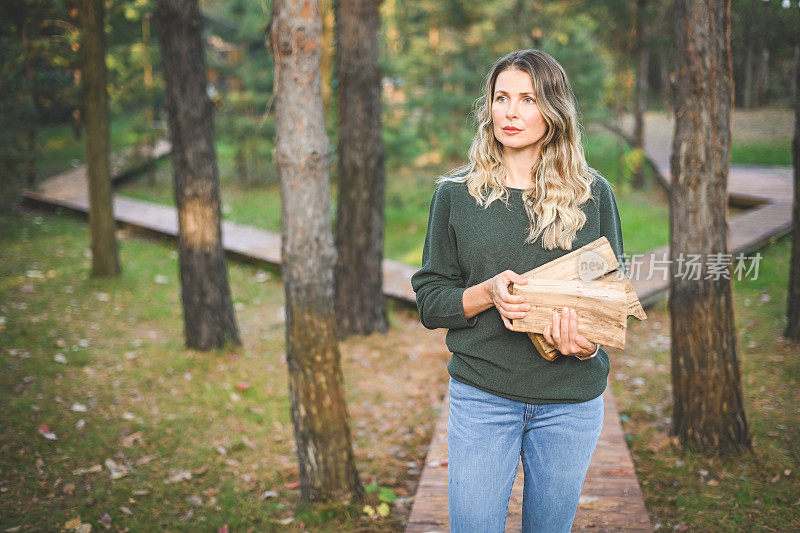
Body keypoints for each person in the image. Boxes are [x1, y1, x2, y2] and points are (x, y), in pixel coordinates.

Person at [411, 49, 626, 532]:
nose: (511, 112)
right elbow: (430, 299)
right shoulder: (456, 196)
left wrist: (586, 341)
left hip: (569, 401)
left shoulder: (592, 196)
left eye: (527, 99)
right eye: (501, 98)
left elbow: (607, 294)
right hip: (483, 396)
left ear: (553, 110)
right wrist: (486, 292)